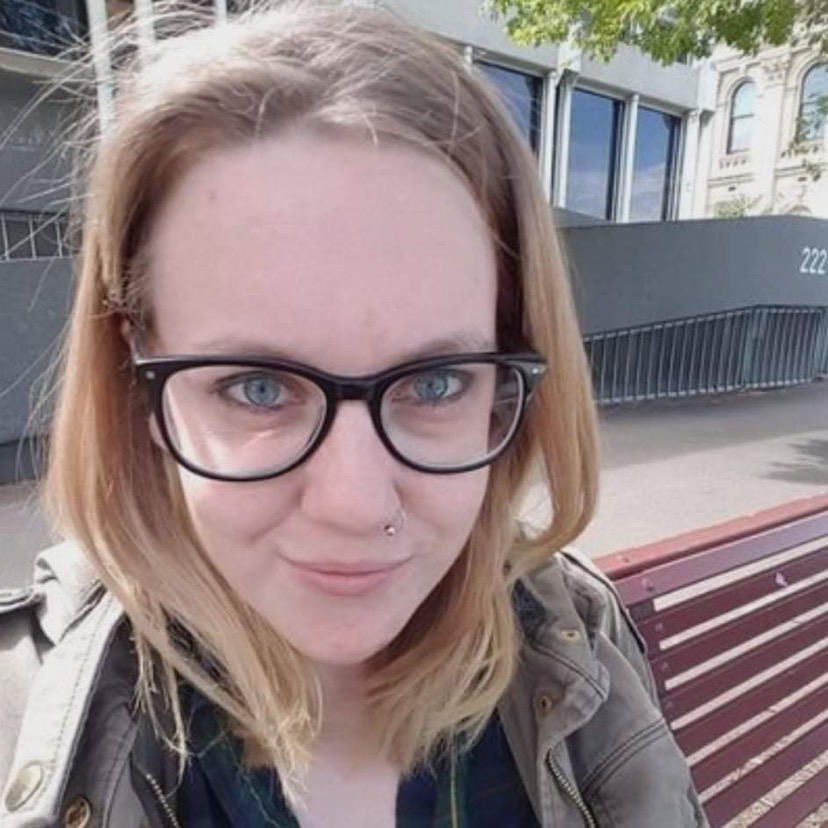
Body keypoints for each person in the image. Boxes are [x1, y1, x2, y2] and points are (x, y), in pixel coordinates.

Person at [0, 2, 708, 826]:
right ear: (136, 382)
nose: (355, 504)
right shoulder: (28, 718)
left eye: (435, 383)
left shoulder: (577, 643)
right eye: (256, 388)